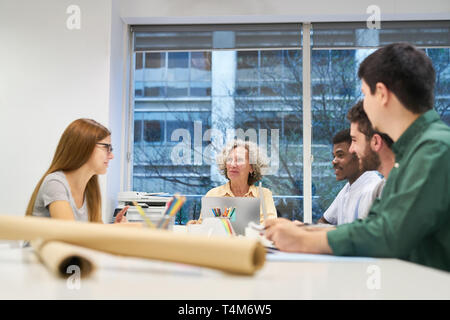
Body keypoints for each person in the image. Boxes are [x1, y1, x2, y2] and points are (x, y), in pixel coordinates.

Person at [265, 43, 450, 272]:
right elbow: (374, 226)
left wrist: (303, 240)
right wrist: (302, 231)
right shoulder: (413, 152)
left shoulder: (435, 148)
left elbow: (387, 235)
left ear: (381, 94)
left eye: (365, 94)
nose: (364, 105)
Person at [25, 118, 128, 224]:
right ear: (84, 146)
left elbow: (94, 233)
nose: (111, 155)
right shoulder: (55, 183)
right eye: (106, 147)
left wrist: (114, 228)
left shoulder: (90, 189)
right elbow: (70, 234)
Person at [187, 139, 277, 225]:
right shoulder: (213, 194)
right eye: (229, 160)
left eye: (239, 160)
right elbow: (205, 229)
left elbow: (270, 228)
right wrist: (195, 225)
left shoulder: (264, 195)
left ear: (252, 167)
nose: (233, 165)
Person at [317, 129, 382, 225]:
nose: (334, 161)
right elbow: (324, 221)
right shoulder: (348, 187)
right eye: (334, 156)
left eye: (340, 155)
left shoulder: (372, 188)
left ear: (358, 154)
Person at [347, 100, 395, 200]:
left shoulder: (405, 194)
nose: (351, 150)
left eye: (354, 140)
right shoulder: (382, 189)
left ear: (376, 142)